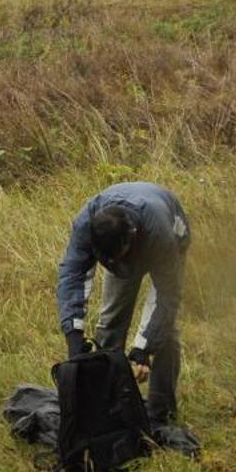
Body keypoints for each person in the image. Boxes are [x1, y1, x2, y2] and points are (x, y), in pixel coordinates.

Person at [55, 181, 191, 429]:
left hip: (169, 240)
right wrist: (73, 337)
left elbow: (166, 297)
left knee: (165, 332)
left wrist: (143, 349)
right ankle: (106, 404)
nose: (114, 265)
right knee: (111, 321)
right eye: (106, 259)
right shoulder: (86, 225)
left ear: (131, 238)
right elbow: (72, 276)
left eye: (117, 258)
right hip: (124, 242)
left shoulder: (159, 233)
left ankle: (161, 413)